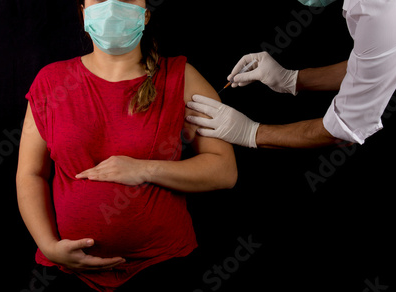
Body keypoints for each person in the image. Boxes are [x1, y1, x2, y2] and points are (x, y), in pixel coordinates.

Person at [16, 0, 237, 291]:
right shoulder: (51, 82)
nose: (112, 5)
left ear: (145, 15)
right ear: (84, 13)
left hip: (164, 267)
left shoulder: (182, 78)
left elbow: (224, 170)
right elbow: (30, 174)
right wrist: (48, 245)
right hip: (65, 274)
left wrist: (144, 170)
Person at [186, 0, 396, 149]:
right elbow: (371, 65)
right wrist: (292, 79)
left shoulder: (389, 10)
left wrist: (251, 132)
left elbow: (342, 128)